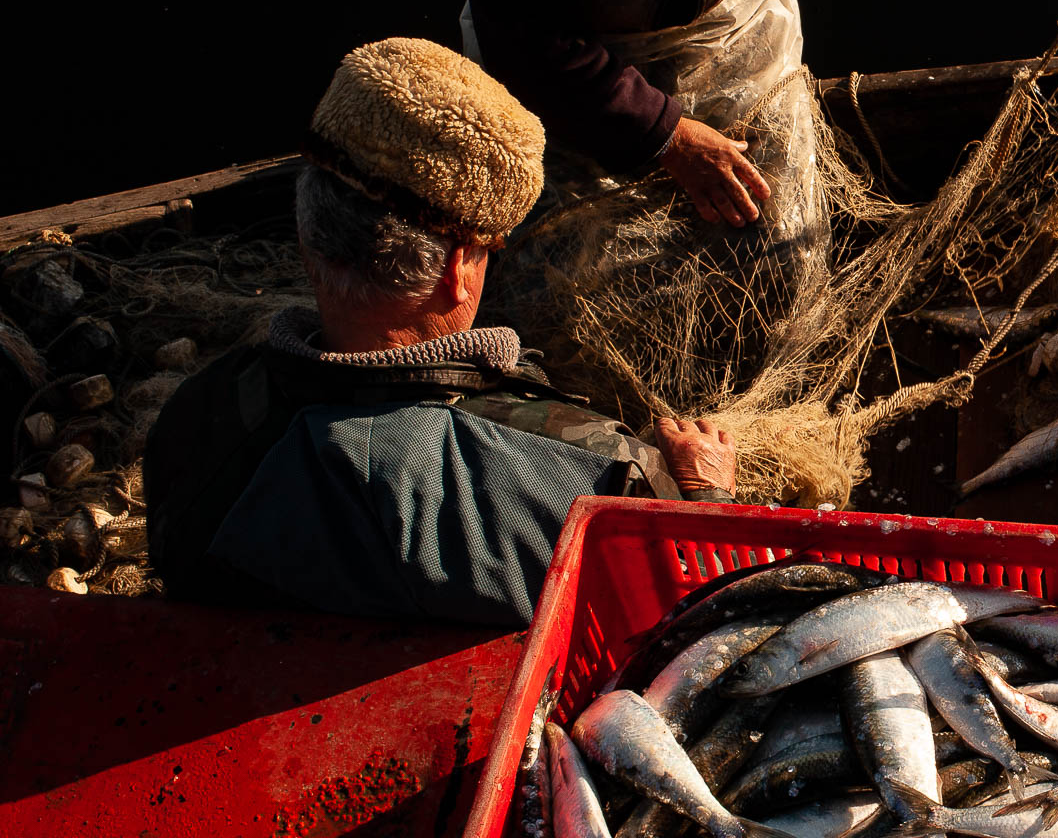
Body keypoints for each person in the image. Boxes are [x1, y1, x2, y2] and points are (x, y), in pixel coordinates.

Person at [146, 38, 737, 626]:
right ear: (458, 270)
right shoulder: (594, 477)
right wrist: (706, 499)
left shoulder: (195, 417)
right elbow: (698, 612)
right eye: (489, 250)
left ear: (307, 234)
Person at [450, 0, 802, 229]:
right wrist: (667, 135)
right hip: (574, 99)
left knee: (783, 236)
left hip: (749, 40)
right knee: (571, 270)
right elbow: (526, 43)